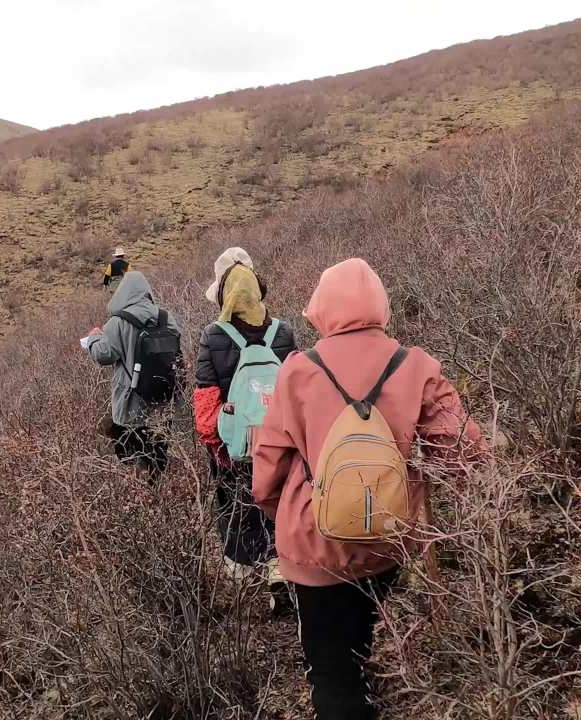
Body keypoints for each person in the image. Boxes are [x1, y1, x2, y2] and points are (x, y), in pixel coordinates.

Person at [253, 258, 488, 720]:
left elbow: (267, 471)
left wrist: (286, 515)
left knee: (331, 669)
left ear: (320, 309)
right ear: (381, 306)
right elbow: (465, 455)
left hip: (313, 549)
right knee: (367, 641)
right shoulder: (415, 364)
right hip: (388, 540)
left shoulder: (298, 370)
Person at [193, 247, 297, 586]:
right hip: (281, 445)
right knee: (279, 504)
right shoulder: (283, 333)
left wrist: (221, 450)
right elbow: (299, 395)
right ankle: (279, 566)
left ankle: (243, 576)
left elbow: (206, 411)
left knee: (236, 511)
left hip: (235, 448)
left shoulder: (213, 336)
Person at [86, 271, 181, 477]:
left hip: (130, 406)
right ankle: (158, 496)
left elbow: (104, 355)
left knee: (131, 463)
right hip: (163, 405)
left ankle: (137, 500)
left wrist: (93, 339)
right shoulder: (166, 318)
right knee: (158, 461)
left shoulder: (118, 322)